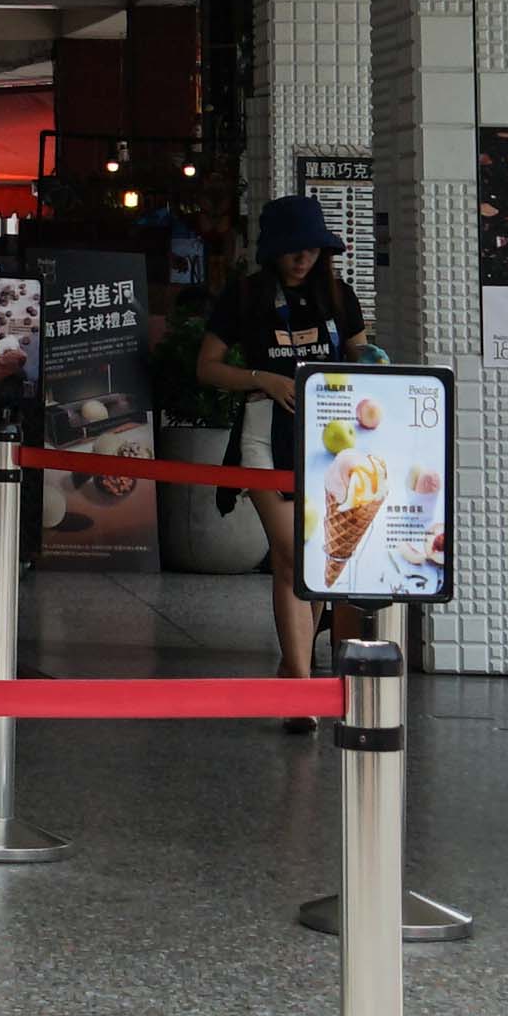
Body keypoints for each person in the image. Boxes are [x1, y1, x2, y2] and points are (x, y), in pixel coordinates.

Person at [190, 193, 374, 716]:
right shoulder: (244, 297)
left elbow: (361, 352)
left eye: (312, 249)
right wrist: (263, 379)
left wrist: (371, 359)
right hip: (262, 437)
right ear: (273, 250)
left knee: (317, 560)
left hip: (331, 443)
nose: (303, 259)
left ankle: (291, 667)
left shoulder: (340, 296)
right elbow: (207, 367)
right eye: (293, 250)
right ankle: (299, 686)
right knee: (292, 556)